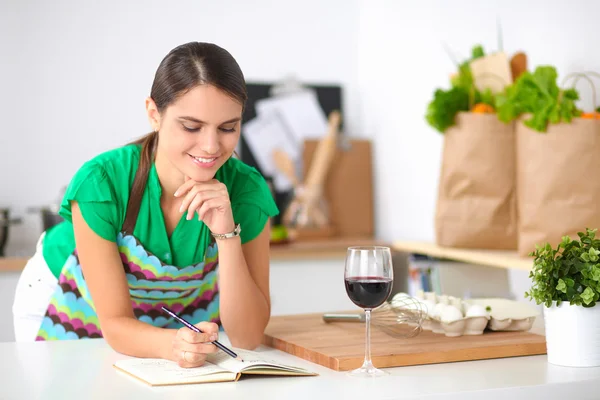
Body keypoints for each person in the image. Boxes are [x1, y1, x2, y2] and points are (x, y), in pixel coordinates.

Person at [11, 42, 279, 368]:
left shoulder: (246, 191)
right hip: (69, 303)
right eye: (191, 126)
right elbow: (115, 324)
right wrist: (173, 344)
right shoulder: (102, 181)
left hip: (172, 326)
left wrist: (226, 232)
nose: (211, 147)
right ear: (154, 113)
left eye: (227, 128)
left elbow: (247, 337)